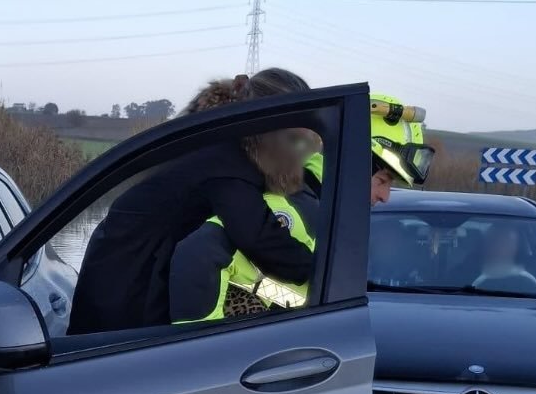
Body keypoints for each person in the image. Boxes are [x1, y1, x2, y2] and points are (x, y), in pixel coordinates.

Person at [67, 68, 320, 335]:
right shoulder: (227, 162)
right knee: (112, 364)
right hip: (127, 275)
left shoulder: (221, 143)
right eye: (295, 134)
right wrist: (328, 271)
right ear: (271, 124)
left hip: (125, 261)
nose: (300, 145)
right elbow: (259, 236)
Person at [169, 92, 434, 323]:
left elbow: (284, 294)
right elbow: (197, 253)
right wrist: (203, 351)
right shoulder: (294, 210)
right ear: (353, 167)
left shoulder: (325, 212)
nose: (385, 196)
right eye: (382, 181)